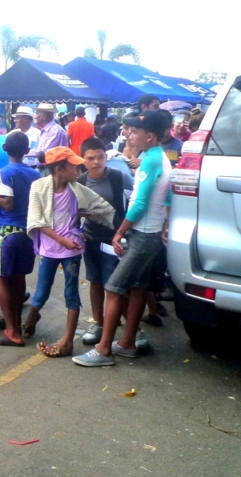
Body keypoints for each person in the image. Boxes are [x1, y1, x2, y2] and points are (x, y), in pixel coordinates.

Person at [73, 111, 172, 367]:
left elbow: (138, 204)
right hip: (150, 231)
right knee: (137, 286)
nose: (130, 135)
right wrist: (166, 220)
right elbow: (168, 194)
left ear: (149, 136)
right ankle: (127, 342)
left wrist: (120, 231)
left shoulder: (150, 161)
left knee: (114, 287)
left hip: (143, 234)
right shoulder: (157, 158)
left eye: (135, 131)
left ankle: (104, 350)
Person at [25, 147, 114, 357]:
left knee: (71, 294)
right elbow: (37, 221)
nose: (78, 170)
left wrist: (81, 225)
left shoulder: (78, 190)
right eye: (74, 166)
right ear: (60, 169)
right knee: (41, 292)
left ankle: (67, 342)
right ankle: (31, 318)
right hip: (50, 248)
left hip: (72, 250)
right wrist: (61, 239)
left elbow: (100, 208)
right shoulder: (38, 187)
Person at [0, 132, 40, 347]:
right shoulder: (35, 174)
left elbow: (7, 204)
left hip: (8, 232)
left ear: (4, 148)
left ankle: (12, 331)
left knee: (1, 279)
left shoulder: (6, 172)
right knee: (19, 278)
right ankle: (15, 323)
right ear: (27, 151)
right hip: (28, 232)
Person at [77, 137, 134, 345]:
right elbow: (74, 210)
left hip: (114, 239)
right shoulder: (81, 181)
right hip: (91, 238)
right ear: (83, 160)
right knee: (95, 281)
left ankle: (131, 329)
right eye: (91, 158)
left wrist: (125, 232)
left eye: (100, 157)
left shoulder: (118, 177)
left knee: (115, 285)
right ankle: (98, 323)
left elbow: (133, 203)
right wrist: (77, 232)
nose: (96, 162)